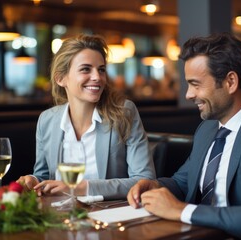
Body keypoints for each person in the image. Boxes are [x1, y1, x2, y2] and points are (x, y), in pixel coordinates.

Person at [127, 32, 241, 240]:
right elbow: (182, 182)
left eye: (196, 84)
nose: (188, 94)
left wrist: (181, 210)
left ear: (230, 81)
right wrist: (155, 186)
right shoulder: (207, 128)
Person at [17, 34, 155, 199]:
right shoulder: (47, 120)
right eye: (85, 69)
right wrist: (33, 180)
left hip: (109, 215)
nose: (97, 77)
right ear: (60, 78)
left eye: (101, 69)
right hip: (60, 216)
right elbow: (45, 176)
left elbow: (145, 181)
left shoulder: (124, 112)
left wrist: (82, 188)